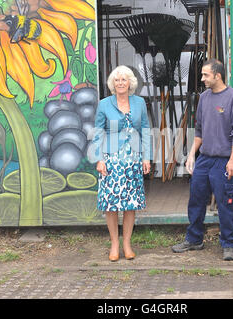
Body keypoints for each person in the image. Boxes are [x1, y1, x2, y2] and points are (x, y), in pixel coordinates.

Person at [171, 59, 233, 261]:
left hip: (224, 160)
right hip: (205, 159)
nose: (202, 78)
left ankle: (228, 243)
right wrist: (192, 154)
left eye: (205, 75)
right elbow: (200, 130)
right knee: (196, 199)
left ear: (217, 75)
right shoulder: (204, 98)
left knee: (226, 203)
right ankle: (194, 239)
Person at [92, 65, 151, 262]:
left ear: (130, 82)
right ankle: (114, 244)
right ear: (112, 83)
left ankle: (127, 243)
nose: (120, 83)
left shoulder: (140, 102)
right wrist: (99, 158)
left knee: (130, 203)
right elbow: (98, 132)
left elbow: (145, 130)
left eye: (124, 79)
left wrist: (146, 157)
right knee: (111, 204)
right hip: (111, 161)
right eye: (117, 80)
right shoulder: (104, 104)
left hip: (133, 160)